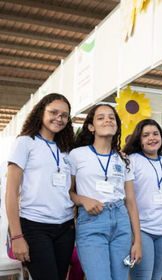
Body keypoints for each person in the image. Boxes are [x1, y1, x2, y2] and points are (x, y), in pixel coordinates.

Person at [6, 93, 75, 280]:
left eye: (64, 115)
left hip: (65, 228)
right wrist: (17, 236)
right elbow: (11, 192)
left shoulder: (67, 149)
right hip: (35, 227)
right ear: (40, 112)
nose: (59, 119)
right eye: (54, 112)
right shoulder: (26, 142)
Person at [69, 104, 142, 280]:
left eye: (111, 117)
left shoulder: (124, 159)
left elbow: (131, 201)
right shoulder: (77, 155)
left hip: (121, 222)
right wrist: (82, 200)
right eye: (101, 117)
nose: (107, 120)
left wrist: (137, 240)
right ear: (91, 127)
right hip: (91, 222)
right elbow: (68, 192)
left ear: (116, 125)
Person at [123, 119, 162, 280]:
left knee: (157, 276)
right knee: (142, 277)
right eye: (145, 135)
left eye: (155, 134)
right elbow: (128, 199)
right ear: (139, 140)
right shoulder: (132, 161)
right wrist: (134, 235)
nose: (151, 138)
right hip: (142, 229)